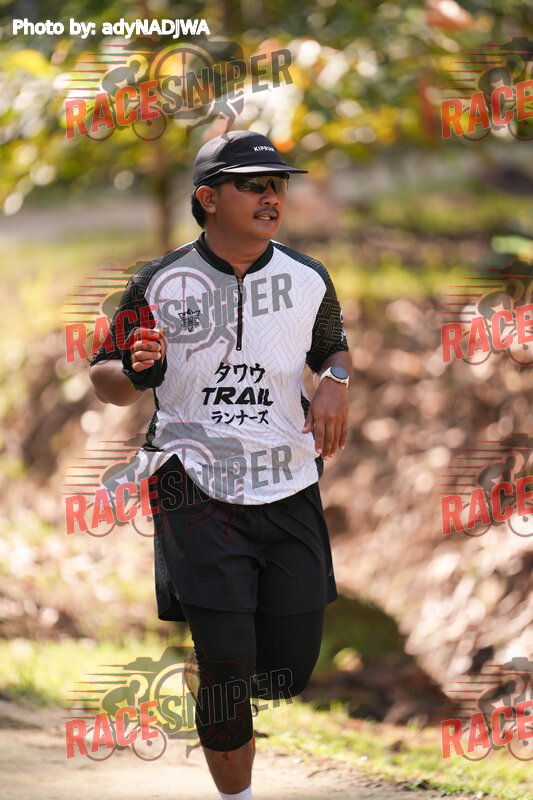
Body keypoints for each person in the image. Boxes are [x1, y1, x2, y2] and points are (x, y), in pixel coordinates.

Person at [89, 129, 351, 800]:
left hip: (288, 479)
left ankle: (215, 679)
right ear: (208, 198)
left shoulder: (307, 277)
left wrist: (335, 380)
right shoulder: (158, 280)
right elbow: (106, 379)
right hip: (193, 482)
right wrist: (135, 370)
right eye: (252, 185)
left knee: (289, 668)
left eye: (278, 185)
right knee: (228, 670)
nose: (272, 197)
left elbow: (332, 347)